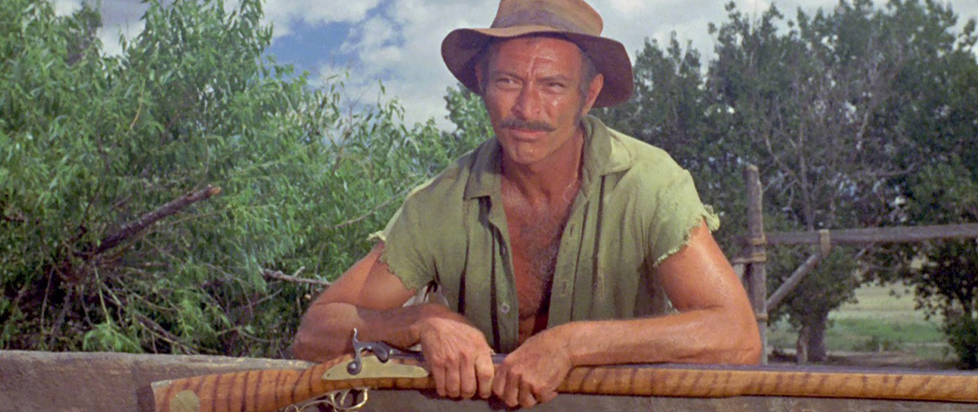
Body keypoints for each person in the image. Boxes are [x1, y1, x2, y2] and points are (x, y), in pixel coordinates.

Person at [293, 0, 761, 408]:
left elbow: (737, 337)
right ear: (481, 83)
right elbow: (315, 332)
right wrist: (420, 321)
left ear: (589, 94)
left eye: (553, 85)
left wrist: (573, 344)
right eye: (509, 80)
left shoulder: (649, 184)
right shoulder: (440, 202)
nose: (527, 108)